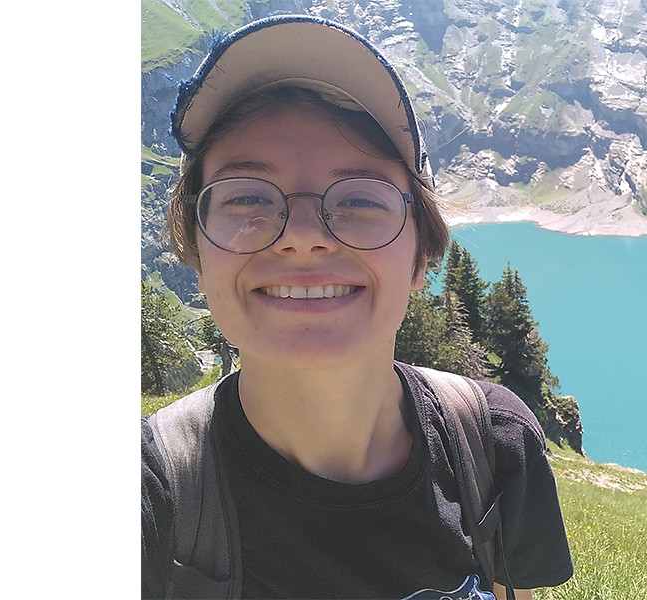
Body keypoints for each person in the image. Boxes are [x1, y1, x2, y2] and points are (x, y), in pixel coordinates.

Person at [140, 15, 573, 600]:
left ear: (421, 256)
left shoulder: (496, 445)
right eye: (246, 196)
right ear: (196, 250)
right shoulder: (156, 493)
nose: (303, 236)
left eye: (361, 198)